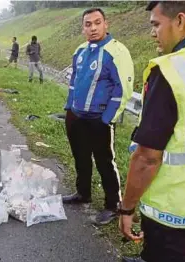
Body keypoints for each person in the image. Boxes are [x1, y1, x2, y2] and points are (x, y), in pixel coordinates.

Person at [120, 2, 185, 262]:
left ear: (180, 21)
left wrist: (127, 208)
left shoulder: (173, 70)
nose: (152, 33)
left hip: (177, 217)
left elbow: (147, 157)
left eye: (156, 24)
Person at [62, 8, 134, 226]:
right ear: (83, 27)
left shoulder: (117, 51)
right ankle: (83, 193)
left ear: (106, 24)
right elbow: (73, 82)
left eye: (97, 23)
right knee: (81, 157)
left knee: (105, 162)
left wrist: (107, 118)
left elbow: (124, 88)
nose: (92, 28)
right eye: (87, 24)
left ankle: (113, 205)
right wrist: (69, 109)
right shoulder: (81, 51)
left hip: (99, 119)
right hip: (77, 117)